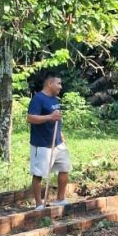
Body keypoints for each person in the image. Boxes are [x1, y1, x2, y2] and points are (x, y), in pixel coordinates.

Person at [27, 73, 71, 209]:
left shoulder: (54, 99)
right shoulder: (38, 99)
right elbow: (30, 118)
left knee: (65, 168)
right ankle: (39, 204)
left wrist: (61, 135)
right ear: (49, 84)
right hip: (42, 144)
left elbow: (56, 119)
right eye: (58, 83)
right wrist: (49, 117)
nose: (61, 86)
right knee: (39, 174)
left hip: (57, 142)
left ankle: (60, 199)